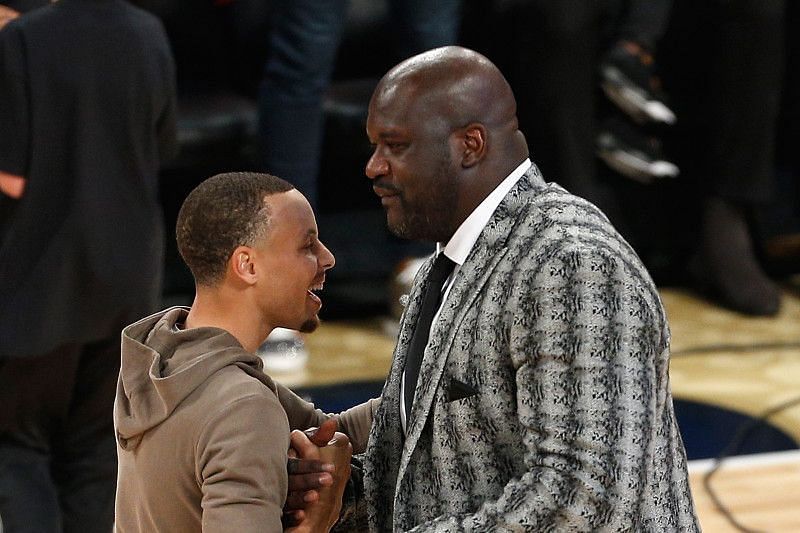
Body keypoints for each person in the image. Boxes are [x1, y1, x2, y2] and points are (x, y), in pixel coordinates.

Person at [299, 46, 699, 531]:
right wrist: (335, 491)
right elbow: (435, 471)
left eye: (395, 145)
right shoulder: (444, 266)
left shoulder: (570, 263)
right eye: (374, 146)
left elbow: (584, 502)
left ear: (470, 145)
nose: (373, 166)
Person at [0, 1, 176, 531]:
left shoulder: (22, 39)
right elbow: (163, 144)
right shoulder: (149, 32)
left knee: (16, 447)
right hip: (130, 278)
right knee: (99, 454)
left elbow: (12, 180)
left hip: (40, 280)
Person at [114, 172, 370, 532]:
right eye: (307, 245)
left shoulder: (163, 362)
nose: (327, 258)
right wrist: (318, 521)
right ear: (247, 266)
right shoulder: (242, 407)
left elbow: (330, 429)